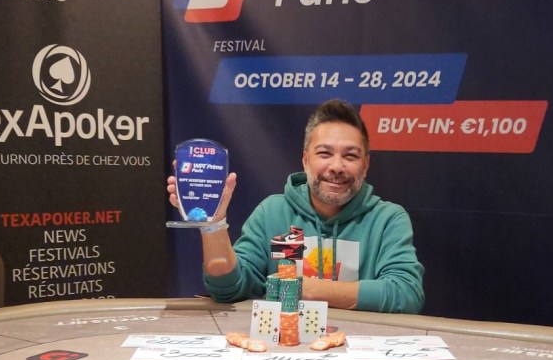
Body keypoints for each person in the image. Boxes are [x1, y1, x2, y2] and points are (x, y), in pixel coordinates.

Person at [167, 99, 424, 313]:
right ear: (305, 160)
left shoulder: (388, 219)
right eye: (324, 154)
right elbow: (227, 289)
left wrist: (307, 289)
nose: (337, 166)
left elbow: (406, 294)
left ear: (365, 165)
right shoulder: (273, 212)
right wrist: (213, 226)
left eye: (350, 156)